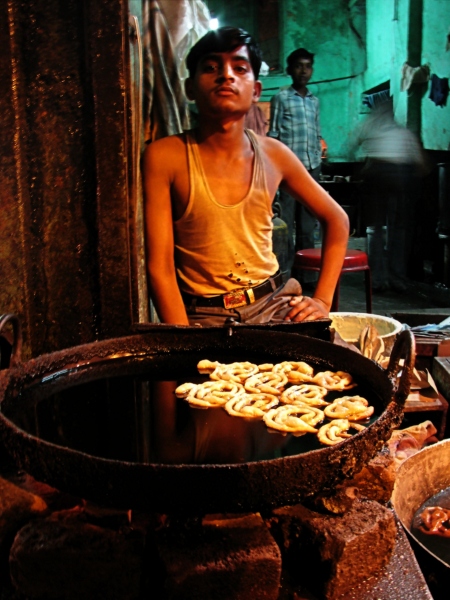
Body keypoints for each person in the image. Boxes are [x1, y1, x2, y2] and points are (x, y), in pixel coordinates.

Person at [143, 27, 348, 326]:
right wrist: (185, 342)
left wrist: (322, 301)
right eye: (211, 67)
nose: (226, 75)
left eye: (240, 68)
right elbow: (160, 268)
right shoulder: (165, 157)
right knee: (188, 375)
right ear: (189, 89)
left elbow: (337, 220)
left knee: (348, 368)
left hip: (274, 305)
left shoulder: (274, 154)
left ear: (255, 90)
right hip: (203, 316)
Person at [354, 101, 427, 292]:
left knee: (378, 231)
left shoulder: (372, 127)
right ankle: (393, 277)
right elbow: (420, 163)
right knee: (396, 230)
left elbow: (353, 144)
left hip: (378, 177)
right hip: (396, 179)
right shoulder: (401, 132)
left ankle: (379, 279)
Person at [268, 48, 324, 282]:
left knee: (307, 226)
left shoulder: (314, 101)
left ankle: (307, 278)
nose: (304, 71)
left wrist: (319, 161)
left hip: (312, 169)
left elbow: (317, 134)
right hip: (289, 172)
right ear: (290, 70)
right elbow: (273, 135)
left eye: (308, 66)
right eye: (299, 66)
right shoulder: (281, 98)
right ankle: (286, 277)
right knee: (286, 226)